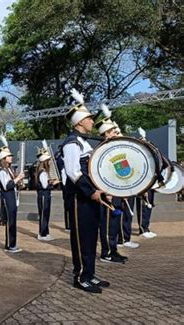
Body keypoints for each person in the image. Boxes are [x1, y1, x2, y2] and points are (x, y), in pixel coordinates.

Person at [61, 89, 110, 293]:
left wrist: (101, 189)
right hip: (80, 198)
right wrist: (91, 192)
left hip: (90, 196)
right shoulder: (71, 143)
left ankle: (90, 273)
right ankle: (81, 276)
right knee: (82, 238)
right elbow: (73, 173)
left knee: (91, 237)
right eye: (89, 118)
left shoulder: (84, 142)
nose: (92, 121)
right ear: (79, 122)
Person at [94, 114, 128, 264]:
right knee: (107, 225)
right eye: (113, 131)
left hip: (117, 192)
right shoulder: (101, 150)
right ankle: (106, 253)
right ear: (106, 133)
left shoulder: (114, 148)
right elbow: (99, 173)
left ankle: (113, 250)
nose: (116, 133)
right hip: (107, 194)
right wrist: (106, 192)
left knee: (114, 224)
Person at [0, 135, 24, 253]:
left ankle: (12, 244)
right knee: (10, 221)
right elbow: (7, 185)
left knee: (13, 221)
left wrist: (18, 181)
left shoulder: (8, 170)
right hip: (7, 198)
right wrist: (18, 179)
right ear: (3, 158)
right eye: (9, 156)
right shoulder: (2, 171)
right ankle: (9, 245)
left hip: (12, 196)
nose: (11, 157)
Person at [36, 148, 54, 241]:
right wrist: (52, 184)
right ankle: (42, 233)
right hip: (43, 195)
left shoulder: (44, 171)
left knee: (46, 213)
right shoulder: (42, 171)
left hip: (45, 195)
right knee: (43, 213)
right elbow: (44, 185)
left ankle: (46, 232)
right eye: (48, 160)